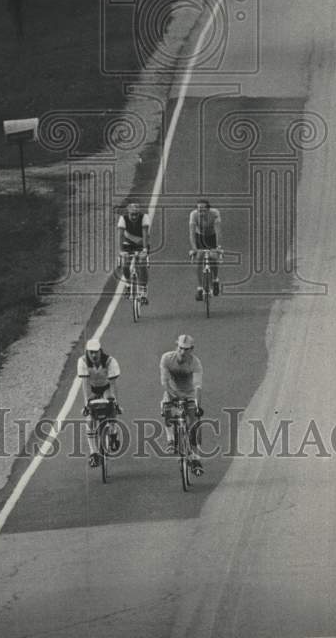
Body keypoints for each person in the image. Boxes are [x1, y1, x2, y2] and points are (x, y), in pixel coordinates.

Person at [160, 333, 204, 474]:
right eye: (180, 348)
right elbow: (165, 382)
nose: (183, 352)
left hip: (189, 393)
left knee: (194, 423)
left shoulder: (195, 363)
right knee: (166, 408)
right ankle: (171, 439)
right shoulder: (167, 358)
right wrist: (172, 395)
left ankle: (195, 458)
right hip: (172, 392)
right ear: (176, 346)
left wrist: (197, 405)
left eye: (186, 349)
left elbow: (197, 386)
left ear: (192, 349)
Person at [77, 338, 121, 467]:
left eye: (96, 352)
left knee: (111, 407)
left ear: (100, 351)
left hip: (106, 387)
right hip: (92, 389)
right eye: (91, 352)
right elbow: (84, 384)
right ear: (87, 352)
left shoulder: (110, 361)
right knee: (90, 419)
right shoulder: (82, 361)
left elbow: (113, 384)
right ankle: (94, 453)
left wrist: (116, 402)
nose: (94, 355)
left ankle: (113, 433)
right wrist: (86, 404)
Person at [117, 201, 150, 305]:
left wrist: (145, 250)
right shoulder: (123, 219)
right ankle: (128, 283)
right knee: (125, 264)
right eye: (132, 214)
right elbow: (120, 236)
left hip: (141, 243)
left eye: (136, 214)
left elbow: (145, 234)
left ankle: (143, 289)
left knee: (142, 262)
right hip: (127, 244)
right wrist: (121, 251)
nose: (134, 216)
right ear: (128, 213)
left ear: (139, 213)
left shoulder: (144, 217)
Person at [188, 198, 221, 300]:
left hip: (212, 237)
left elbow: (218, 232)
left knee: (213, 257)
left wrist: (218, 247)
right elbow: (192, 233)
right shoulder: (193, 215)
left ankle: (215, 279)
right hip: (200, 237)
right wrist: (194, 248)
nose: (200, 211)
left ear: (208, 209)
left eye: (203, 209)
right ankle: (199, 287)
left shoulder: (215, 213)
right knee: (199, 258)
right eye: (199, 209)